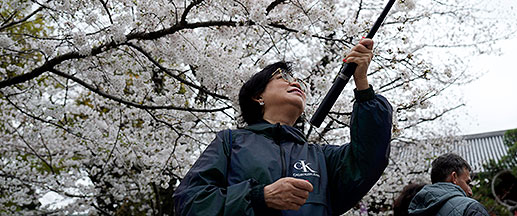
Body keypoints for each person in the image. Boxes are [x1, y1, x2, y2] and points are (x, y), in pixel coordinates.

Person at [173, 38, 392, 215]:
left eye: (299, 81)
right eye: (283, 77)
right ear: (258, 96)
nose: (295, 83)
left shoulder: (321, 158)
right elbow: (191, 202)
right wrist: (260, 197)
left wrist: (362, 86)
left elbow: (369, 157)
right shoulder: (230, 142)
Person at [409, 153, 489, 216]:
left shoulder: (416, 209)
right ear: (454, 177)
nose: (470, 192)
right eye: (467, 183)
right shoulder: (472, 208)